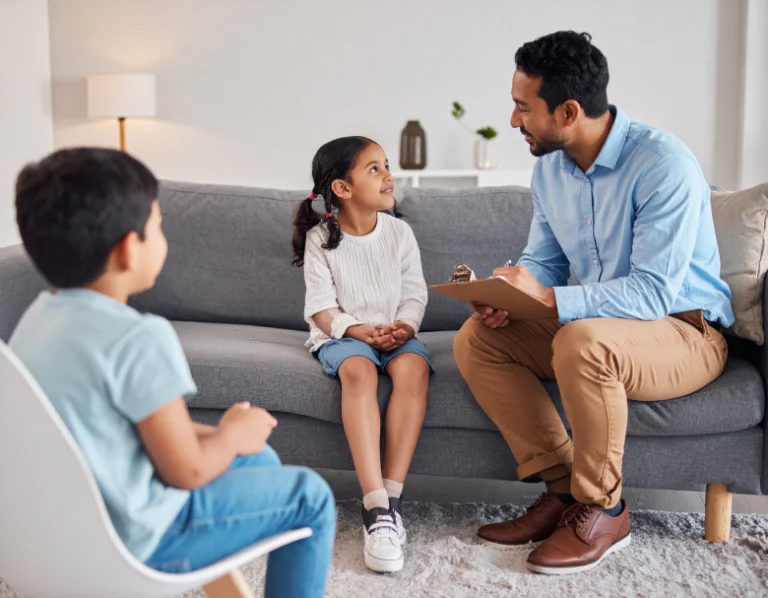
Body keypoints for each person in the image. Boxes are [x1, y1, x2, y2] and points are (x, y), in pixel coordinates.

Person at [453, 31, 733, 575]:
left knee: (583, 340)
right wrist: (508, 294)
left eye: (522, 108)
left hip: (685, 331)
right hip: (604, 327)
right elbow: (545, 264)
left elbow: (652, 292)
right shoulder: (551, 169)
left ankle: (605, 507)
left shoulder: (663, 164)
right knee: (480, 337)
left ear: (569, 110)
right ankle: (562, 495)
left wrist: (548, 297)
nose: (514, 121)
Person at [10, 148, 336, 598]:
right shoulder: (138, 338)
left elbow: (120, 430)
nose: (163, 236)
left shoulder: (37, 320)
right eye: (158, 225)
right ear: (129, 248)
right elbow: (186, 472)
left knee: (256, 459)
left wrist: (225, 437)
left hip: (65, 531)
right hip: (140, 539)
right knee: (310, 496)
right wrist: (226, 437)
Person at [292, 136, 432, 573]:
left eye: (386, 166)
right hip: (344, 333)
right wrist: (357, 331)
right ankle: (373, 508)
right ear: (342, 188)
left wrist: (404, 328)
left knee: (413, 369)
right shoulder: (321, 240)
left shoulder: (400, 233)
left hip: (395, 332)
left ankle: (391, 499)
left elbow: (414, 295)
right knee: (358, 371)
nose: (388, 175)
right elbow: (320, 308)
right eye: (374, 169)